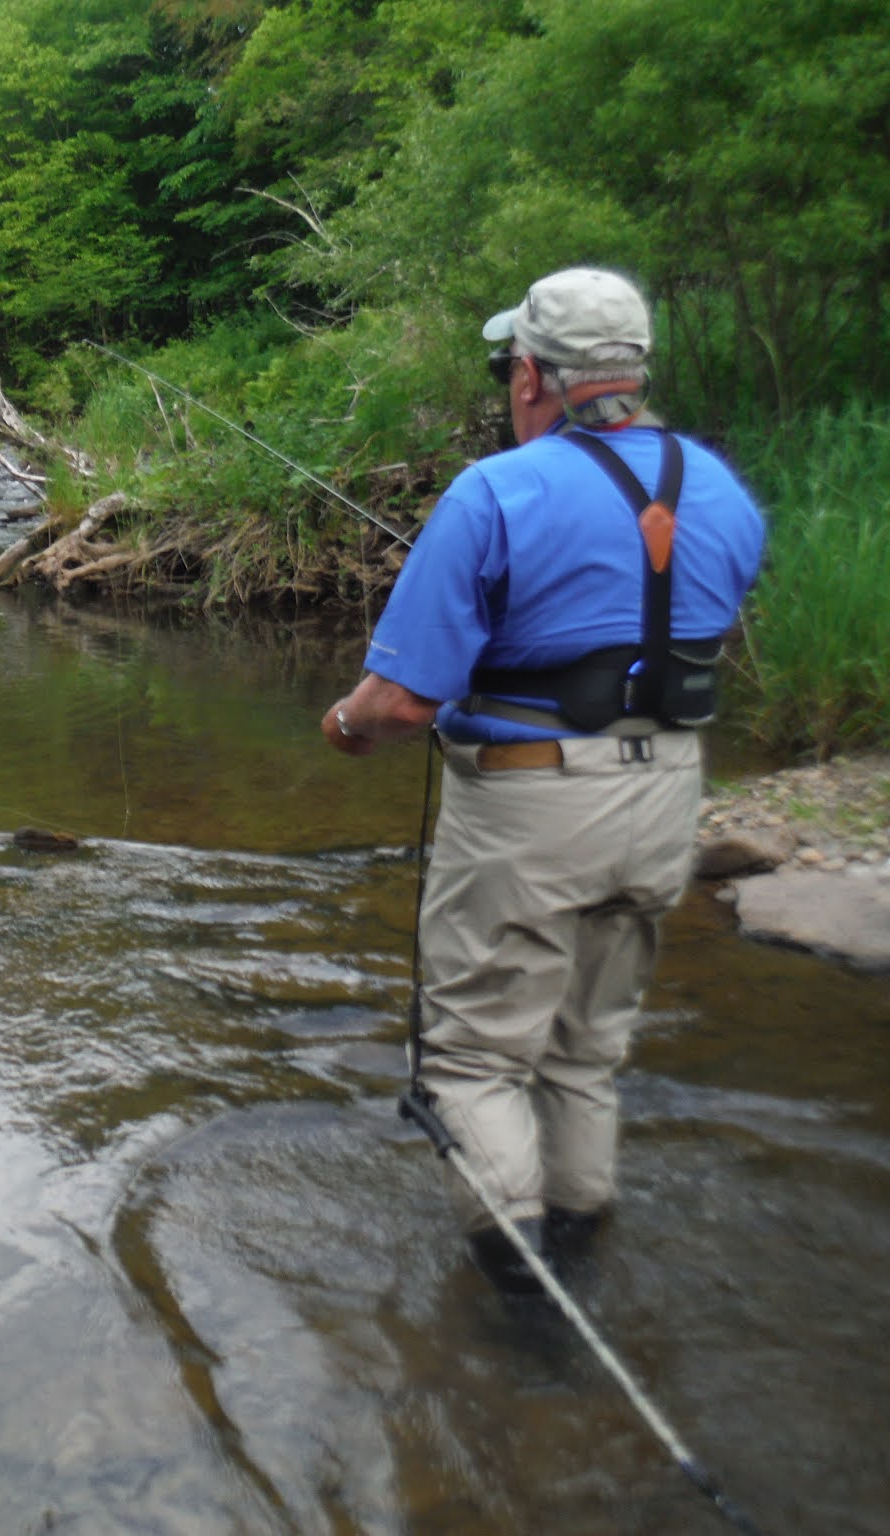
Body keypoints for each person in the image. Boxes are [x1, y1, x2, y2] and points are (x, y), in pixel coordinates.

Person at [320, 268, 765, 1292]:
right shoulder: (722, 492)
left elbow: (398, 705)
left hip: (528, 805)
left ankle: (521, 1309)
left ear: (530, 374)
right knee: (583, 1053)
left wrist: (342, 726)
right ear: (630, 371)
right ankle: (579, 1255)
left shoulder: (494, 492)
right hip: (663, 800)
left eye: (503, 367)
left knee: (476, 1061)